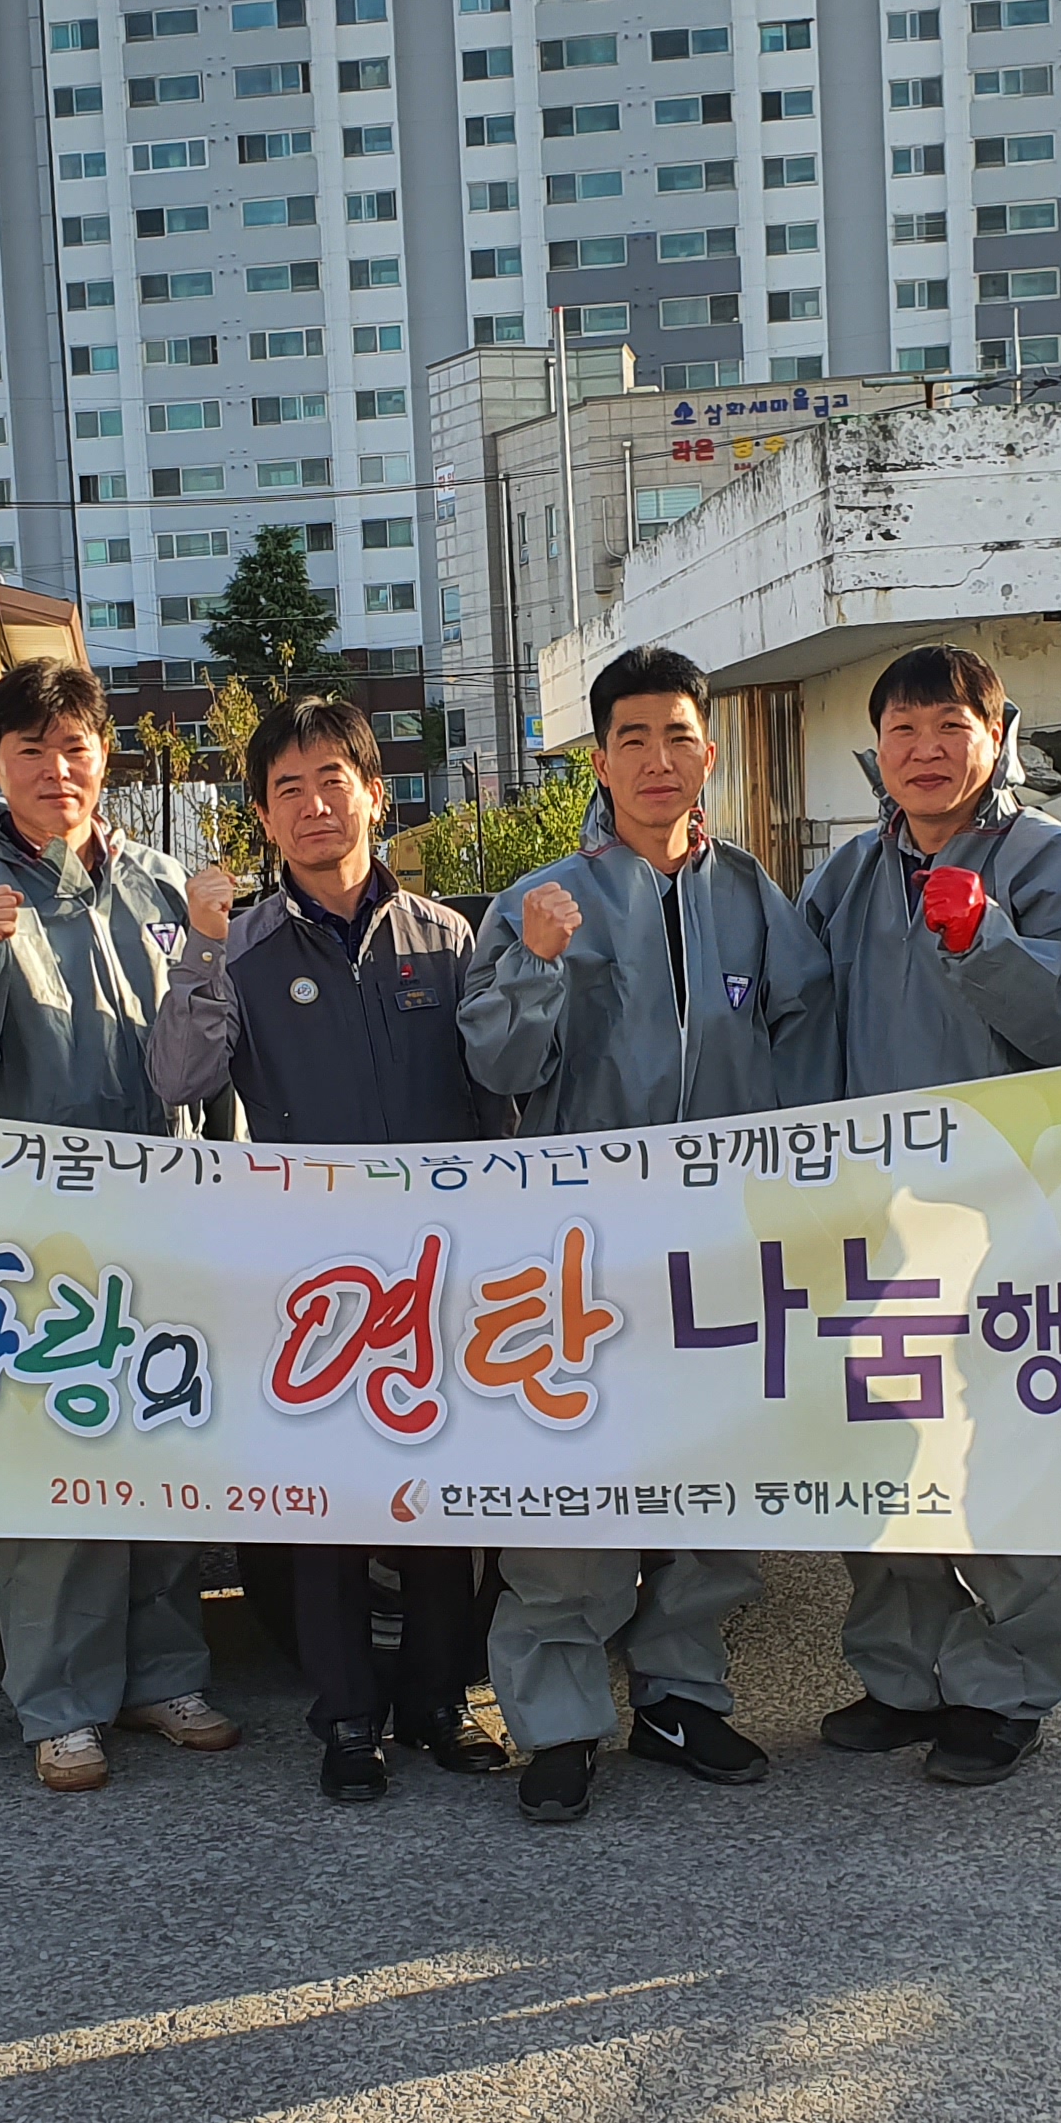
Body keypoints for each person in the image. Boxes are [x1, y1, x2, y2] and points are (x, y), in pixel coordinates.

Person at [456, 645, 836, 1826]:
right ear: (600, 758)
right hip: (582, 1254)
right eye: (632, 739)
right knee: (573, 1489)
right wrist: (539, 963)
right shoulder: (544, 897)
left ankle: (680, 1694)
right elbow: (497, 1069)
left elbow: (807, 1043)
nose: (658, 761)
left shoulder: (753, 896)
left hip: (723, 1245)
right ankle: (561, 1720)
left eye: (678, 736)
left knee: (710, 1476)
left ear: (705, 750)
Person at [0, 656, 239, 1795]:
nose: (55, 769)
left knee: (165, 1451)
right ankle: (61, 1702)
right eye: (28, 749)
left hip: (165, 1221)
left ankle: (163, 1671)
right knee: (54, 1469)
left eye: (73, 746)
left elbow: (213, 1056)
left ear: (104, 758)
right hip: (26, 1236)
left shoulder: (167, 885)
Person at [148, 695, 517, 1804]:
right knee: (329, 1508)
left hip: (443, 1273)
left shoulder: (447, 940)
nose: (315, 806)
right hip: (311, 1280)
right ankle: (348, 1717)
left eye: (332, 781)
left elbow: (495, 1100)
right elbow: (177, 1080)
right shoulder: (243, 947)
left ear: (376, 793)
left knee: (449, 1498)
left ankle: (441, 1701)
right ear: (263, 816)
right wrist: (199, 957)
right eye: (288, 790)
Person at [797, 644, 1061, 1788]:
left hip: (1013, 1211)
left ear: (998, 738)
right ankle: (902, 1674)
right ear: (877, 749)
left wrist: (983, 936)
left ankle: (1005, 1685)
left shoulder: (1043, 856)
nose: (927, 752)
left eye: (951, 728)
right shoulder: (845, 875)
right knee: (885, 1444)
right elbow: (800, 1024)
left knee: (1018, 1450)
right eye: (905, 732)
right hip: (874, 1212)